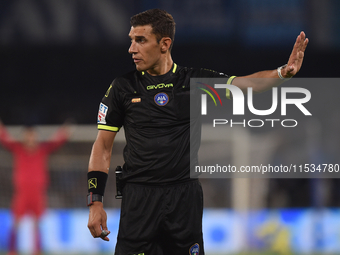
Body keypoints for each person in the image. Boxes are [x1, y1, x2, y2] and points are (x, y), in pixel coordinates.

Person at [87, 8, 308, 255]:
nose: (131, 48)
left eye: (140, 40)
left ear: (164, 44)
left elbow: (246, 84)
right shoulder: (122, 88)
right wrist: (95, 201)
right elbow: (102, 146)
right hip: (139, 199)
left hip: (184, 200)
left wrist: (282, 73)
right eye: (131, 40)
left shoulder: (194, 84)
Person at [0, 120, 71, 255]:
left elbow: (56, 141)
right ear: (24, 137)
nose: (31, 138)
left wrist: (64, 132)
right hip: (22, 193)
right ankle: (12, 250)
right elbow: (5, 138)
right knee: (15, 222)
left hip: (38, 193)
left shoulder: (42, 150)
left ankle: (37, 251)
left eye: (33, 135)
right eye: (28, 135)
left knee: (37, 223)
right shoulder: (18, 149)